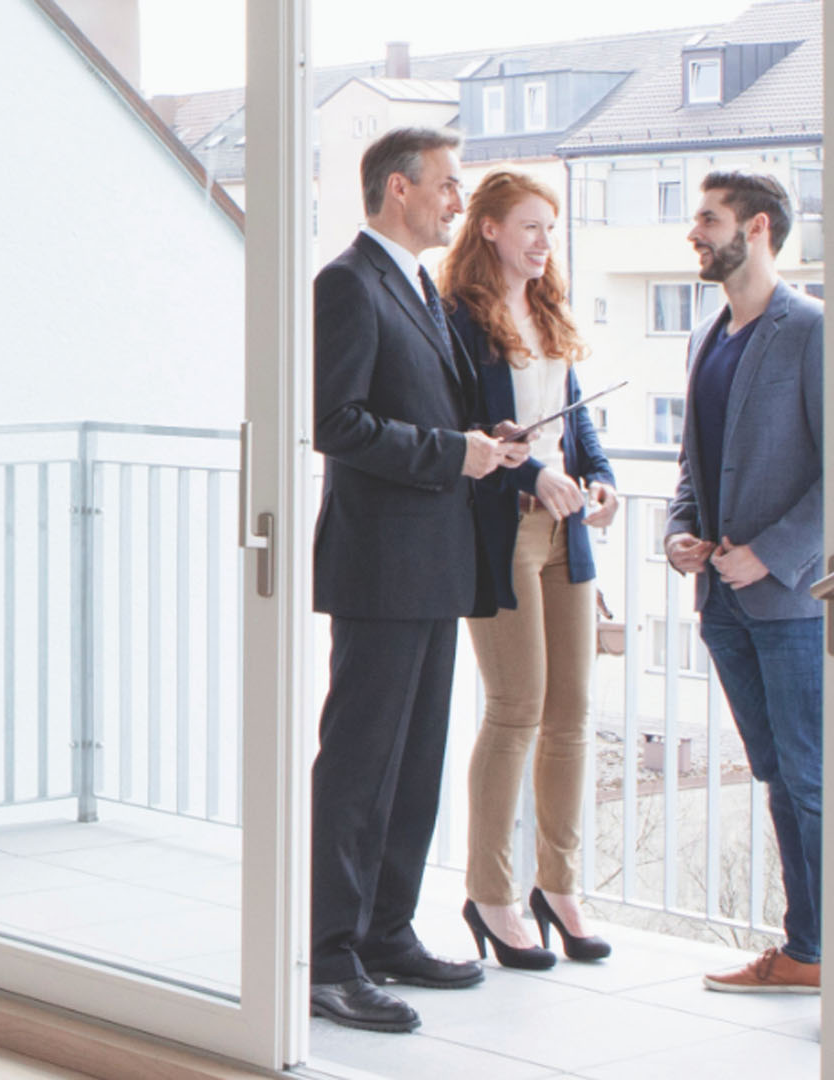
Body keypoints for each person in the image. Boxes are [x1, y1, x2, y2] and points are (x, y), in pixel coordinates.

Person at [310, 128, 528, 1033]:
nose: (456, 199)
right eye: (445, 185)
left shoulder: (424, 291)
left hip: (433, 562)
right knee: (360, 764)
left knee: (415, 764)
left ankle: (387, 931)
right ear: (398, 189)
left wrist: (492, 448)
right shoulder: (348, 284)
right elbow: (338, 423)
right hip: (379, 563)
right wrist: (454, 453)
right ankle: (328, 956)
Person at [440, 170, 619, 969]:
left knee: (573, 713)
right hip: (502, 532)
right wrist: (526, 474)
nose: (545, 242)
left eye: (551, 228)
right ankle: (491, 894)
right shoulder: (459, 322)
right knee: (517, 709)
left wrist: (600, 478)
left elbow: (573, 424)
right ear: (488, 230)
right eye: (531, 227)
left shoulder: (547, 312)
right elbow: (462, 434)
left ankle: (559, 885)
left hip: (564, 530)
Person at [664, 171, 824, 994]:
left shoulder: (812, 331)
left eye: (708, 218)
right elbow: (694, 466)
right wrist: (676, 536)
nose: (694, 231)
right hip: (723, 603)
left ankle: (821, 950)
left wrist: (773, 553)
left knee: (810, 775)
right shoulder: (705, 335)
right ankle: (807, 951)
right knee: (775, 774)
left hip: (792, 603)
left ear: (757, 228)